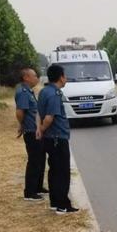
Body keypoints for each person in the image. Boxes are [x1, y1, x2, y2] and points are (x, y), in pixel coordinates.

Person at [37, 64, 79, 214]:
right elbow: (49, 117)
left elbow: (38, 113)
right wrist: (42, 129)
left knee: (54, 170)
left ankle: (55, 202)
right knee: (62, 172)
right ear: (61, 77)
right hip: (57, 138)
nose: (66, 78)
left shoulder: (44, 91)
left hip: (50, 138)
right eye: (65, 75)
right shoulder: (54, 94)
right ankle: (62, 205)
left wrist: (39, 129)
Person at [14, 67, 47, 201]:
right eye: (34, 76)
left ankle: (38, 186)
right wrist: (22, 125)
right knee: (34, 161)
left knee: (41, 159)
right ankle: (30, 192)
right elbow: (20, 112)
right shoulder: (22, 92)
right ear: (26, 77)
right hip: (31, 131)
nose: (36, 78)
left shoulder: (29, 91)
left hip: (36, 130)